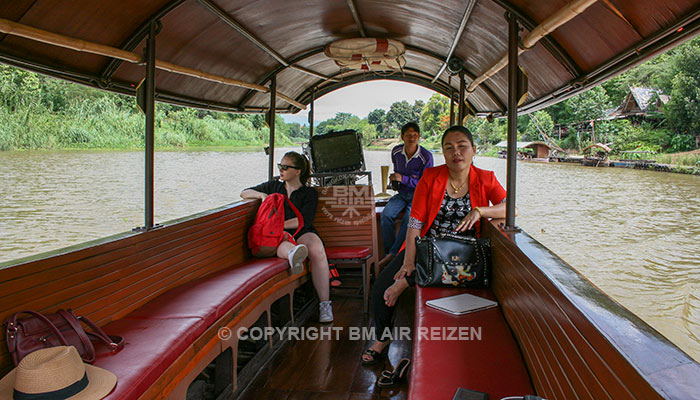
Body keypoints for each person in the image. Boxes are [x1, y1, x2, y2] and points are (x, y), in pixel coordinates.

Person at [361, 125, 508, 364]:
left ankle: (407, 283)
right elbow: (415, 223)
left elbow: (510, 207)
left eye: (462, 147)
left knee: (404, 282)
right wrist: (408, 262)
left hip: (463, 252)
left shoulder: (486, 178)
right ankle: (382, 337)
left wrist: (481, 210)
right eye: (449, 148)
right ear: (443, 153)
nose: (456, 153)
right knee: (380, 288)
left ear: (473, 150)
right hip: (427, 249)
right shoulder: (431, 177)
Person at [240, 151, 333, 323]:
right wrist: (261, 195)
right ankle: (294, 255)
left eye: (285, 167)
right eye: (279, 166)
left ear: (297, 171)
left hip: (301, 230)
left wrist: (276, 226)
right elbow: (244, 193)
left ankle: (325, 305)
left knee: (316, 249)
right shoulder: (273, 186)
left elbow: (303, 220)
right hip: (279, 236)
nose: (281, 170)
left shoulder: (308, 193)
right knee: (284, 245)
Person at [378, 122, 433, 268]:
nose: (412, 138)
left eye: (415, 135)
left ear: (419, 136)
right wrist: (396, 180)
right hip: (401, 194)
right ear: (402, 136)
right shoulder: (396, 152)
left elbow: (425, 183)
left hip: (418, 196)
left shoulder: (426, 156)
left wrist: (404, 179)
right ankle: (390, 252)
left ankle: (394, 255)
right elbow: (398, 172)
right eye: (408, 135)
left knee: (410, 220)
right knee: (386, 215)